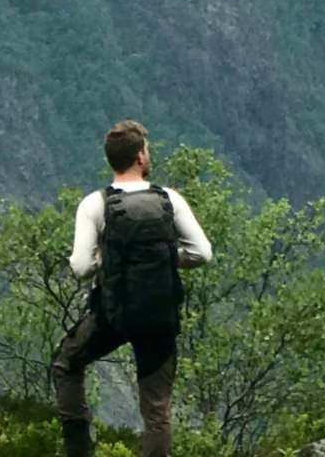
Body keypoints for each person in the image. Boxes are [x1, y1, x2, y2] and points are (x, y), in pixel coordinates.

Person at [52, 120, 213, 457]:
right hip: (159, 316)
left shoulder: (95, 205)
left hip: (113, 314)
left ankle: (79, 449)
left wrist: (108, 261)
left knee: (66, 365)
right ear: (140, 157)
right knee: (156, 410)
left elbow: (80, 267)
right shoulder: (169, 199)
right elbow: (202, 253)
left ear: (111, 160)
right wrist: (167, 259)